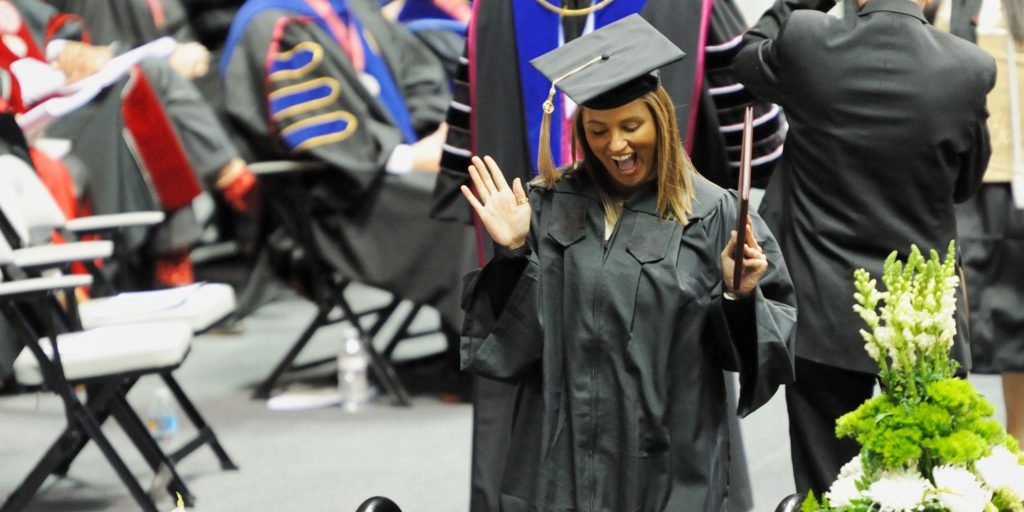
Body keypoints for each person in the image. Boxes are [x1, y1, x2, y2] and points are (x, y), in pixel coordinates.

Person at [458, 16, 797, 511]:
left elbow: (761, 351)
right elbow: (510, 346)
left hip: (666, 459)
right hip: (566, 457)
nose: (615, 145)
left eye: (630, 126)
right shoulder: (551, 205)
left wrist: (737, 295)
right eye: (598, 130)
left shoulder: (711, 212)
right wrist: (513, 254)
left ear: (660, 120)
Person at [733, 0, 996, 496]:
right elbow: (964, 184)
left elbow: (745, 58)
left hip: (823, 308)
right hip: (925, 315)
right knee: (933, 488)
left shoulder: (809, 39)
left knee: (827, 486)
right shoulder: (969, 67)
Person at [943, 0, 1024, 445]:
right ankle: (956, 445)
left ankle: (1017, 451)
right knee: (954, 321)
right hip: (959, 176)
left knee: (1019, 321)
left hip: (1017, 177)